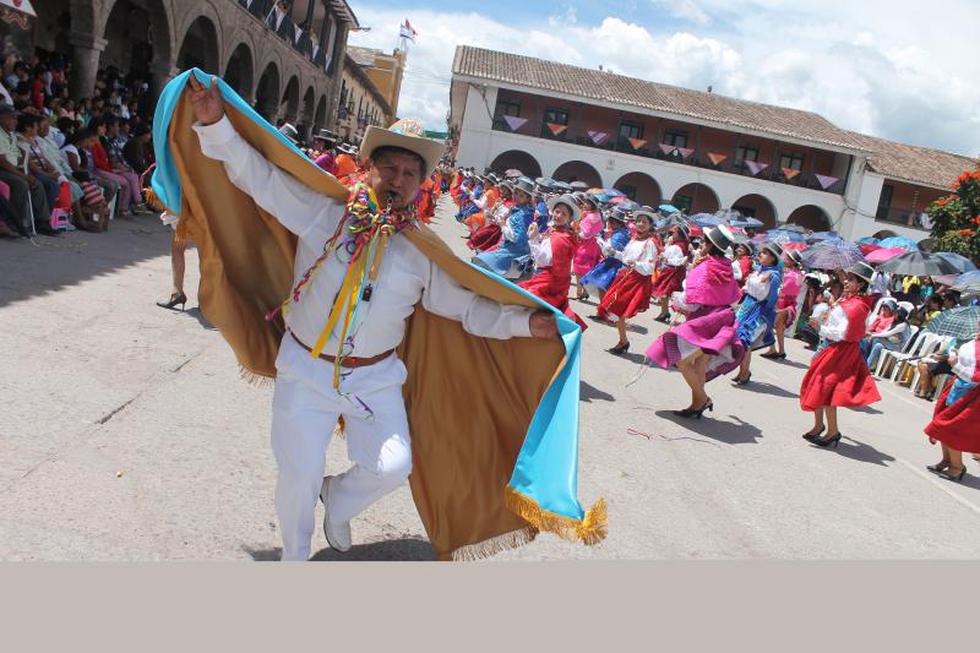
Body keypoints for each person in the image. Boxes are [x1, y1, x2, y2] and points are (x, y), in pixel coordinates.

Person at [182, 75, 571, 561]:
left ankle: (338, 500)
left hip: (376, 379)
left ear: (421, 185)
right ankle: (294, 559)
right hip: (305, 370)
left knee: (392, 465)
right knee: (297, 475)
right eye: (390, 166)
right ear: (369, 169)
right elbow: (260, 179)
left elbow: (466, 307)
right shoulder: (325, 214)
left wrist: (524, 325)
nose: (399, 179)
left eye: (411, 172)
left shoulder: (423, 252)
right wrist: (215, 123)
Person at [646, 225, 744, 418]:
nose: (700, 245)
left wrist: (678, 300)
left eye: (704, 242)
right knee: (698, 363)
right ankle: (696, 404)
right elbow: (733, 296)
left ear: (709, 245)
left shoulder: (706, 266)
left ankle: (703, 398)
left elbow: (692, 298)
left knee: (682, 360)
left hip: (706, 321)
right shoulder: (725, 265)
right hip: (722, 318)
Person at [799, 262, 882, 448]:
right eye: (847, 278)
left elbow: (844, 333)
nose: (846, 282)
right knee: (819, 385)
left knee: (827, 388)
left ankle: (832, 431)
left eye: (851, 279)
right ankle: (821, 426)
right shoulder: (849, 301)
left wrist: (821, 328)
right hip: (831, 347)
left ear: (861, 285)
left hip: (840, 350)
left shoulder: (857, 306)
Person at [595, 210, 659, 354]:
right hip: (626, 277)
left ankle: (623, 341)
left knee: (618, 309)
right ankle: (623, 341)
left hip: (637, 280)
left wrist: (636, 264)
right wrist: (614, 253)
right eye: (639, 221)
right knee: (616, 308)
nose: (641, 224)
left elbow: (649, 268)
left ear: (650, 225)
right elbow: (625, 257)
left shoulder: (651, 243)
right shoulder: (634, 239)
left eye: (645, 222)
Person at [519, 194, 586, 330]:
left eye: (564, 214)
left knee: (522, 301)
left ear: (569, 218)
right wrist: (536, 237)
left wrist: (532, 239)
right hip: (549, 279)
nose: (559, 215)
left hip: (549, 284)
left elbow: (544, 260)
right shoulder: (555, 231)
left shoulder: (561, 238)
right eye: (557, 211)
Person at [924, 328, 979, 482]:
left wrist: (955, 366)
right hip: (958, 388)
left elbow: (976, 376)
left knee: (952, 429)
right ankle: (947, 460)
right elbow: (965, 362)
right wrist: (948, 356)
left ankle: (958, 466)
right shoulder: (973, 341)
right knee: (941, 423)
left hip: (971, 396)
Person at [731, 242, 784, 385]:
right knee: (738, 337)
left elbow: (771, 299)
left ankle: (744, 372)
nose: (761, 254)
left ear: (773, 258)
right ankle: (743, 371)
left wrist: (764, 316)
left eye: (765, 253)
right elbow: (748, 287)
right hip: (747, 306)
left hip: (759, 310)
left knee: (745, 340)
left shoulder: (774, 276)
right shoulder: (759, 269)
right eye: (762, 251)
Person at [0, 104, 53, 235]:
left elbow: (18, 158)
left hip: (12, 168)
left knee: (37, 183)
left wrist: (24, 164)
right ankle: (15, 223)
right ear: (2, 118)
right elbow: (3, 162)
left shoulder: (11, 135)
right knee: (21, 184)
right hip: (3, 169)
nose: (16, 122)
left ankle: (43, 222)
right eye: (12, 118)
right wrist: (23, 175)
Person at [473, 177, 535, 279]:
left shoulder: (523, 215)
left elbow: (517, 238)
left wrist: (502, 225)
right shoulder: (519, 210)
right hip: (506, 244)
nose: (517, 197)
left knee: (481, 262)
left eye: (521, 195)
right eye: (516, 193)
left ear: (528, 199)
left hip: (513, 252)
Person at [762, 250, 804, 360]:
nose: (785, 259)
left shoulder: (791, 275)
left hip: (782, 302)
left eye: (788, 258)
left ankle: (773, 349)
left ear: (793, 262)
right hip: (789, 303)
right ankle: (781, 351)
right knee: (779, 328)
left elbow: (783, 289)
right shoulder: (799, 274)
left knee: (769, 324)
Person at [580, 210, 630, 301]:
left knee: (602, 286)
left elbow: (611, 250)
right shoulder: (622, 233)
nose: (610, 224)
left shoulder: (619, 235)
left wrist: (601, 243)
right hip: (614, 263)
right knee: (602, 286)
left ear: (617, 223)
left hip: (614, 265)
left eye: (612, 222)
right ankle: (602, 311)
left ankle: (603, 311)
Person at [651, 224, 690, 323]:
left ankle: (668, 313)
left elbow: (678, 261)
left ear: (680, 235)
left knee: (667, 293)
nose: (672, 234)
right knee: (666, 294)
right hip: (674, 271)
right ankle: (664, 312)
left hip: (672, 272)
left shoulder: (678, 246)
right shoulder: (681, 245)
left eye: (675, 232)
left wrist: (665, 258)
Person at [571, 193, 603, 300]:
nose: (585, 204)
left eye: (587, 203)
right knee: (585, 270)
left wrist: (576, 231)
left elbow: (586, 233)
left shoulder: (590, 217)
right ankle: (584, 291)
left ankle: (579, 292)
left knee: (579, 269)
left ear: (592, 205)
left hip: (584, 245)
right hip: (592, 245)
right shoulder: (596, 216)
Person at [862, 301, 910, 370]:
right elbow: (886, 330)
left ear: (900, 315)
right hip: (891, 343)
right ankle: (868, 365)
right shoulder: (895, 323)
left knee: (876, 339)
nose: (894, 314)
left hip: (898, 346)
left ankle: (866, 368)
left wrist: (873, 335)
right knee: (878, 346)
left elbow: (888, 333)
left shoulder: (903, 325)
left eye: (896, 313)